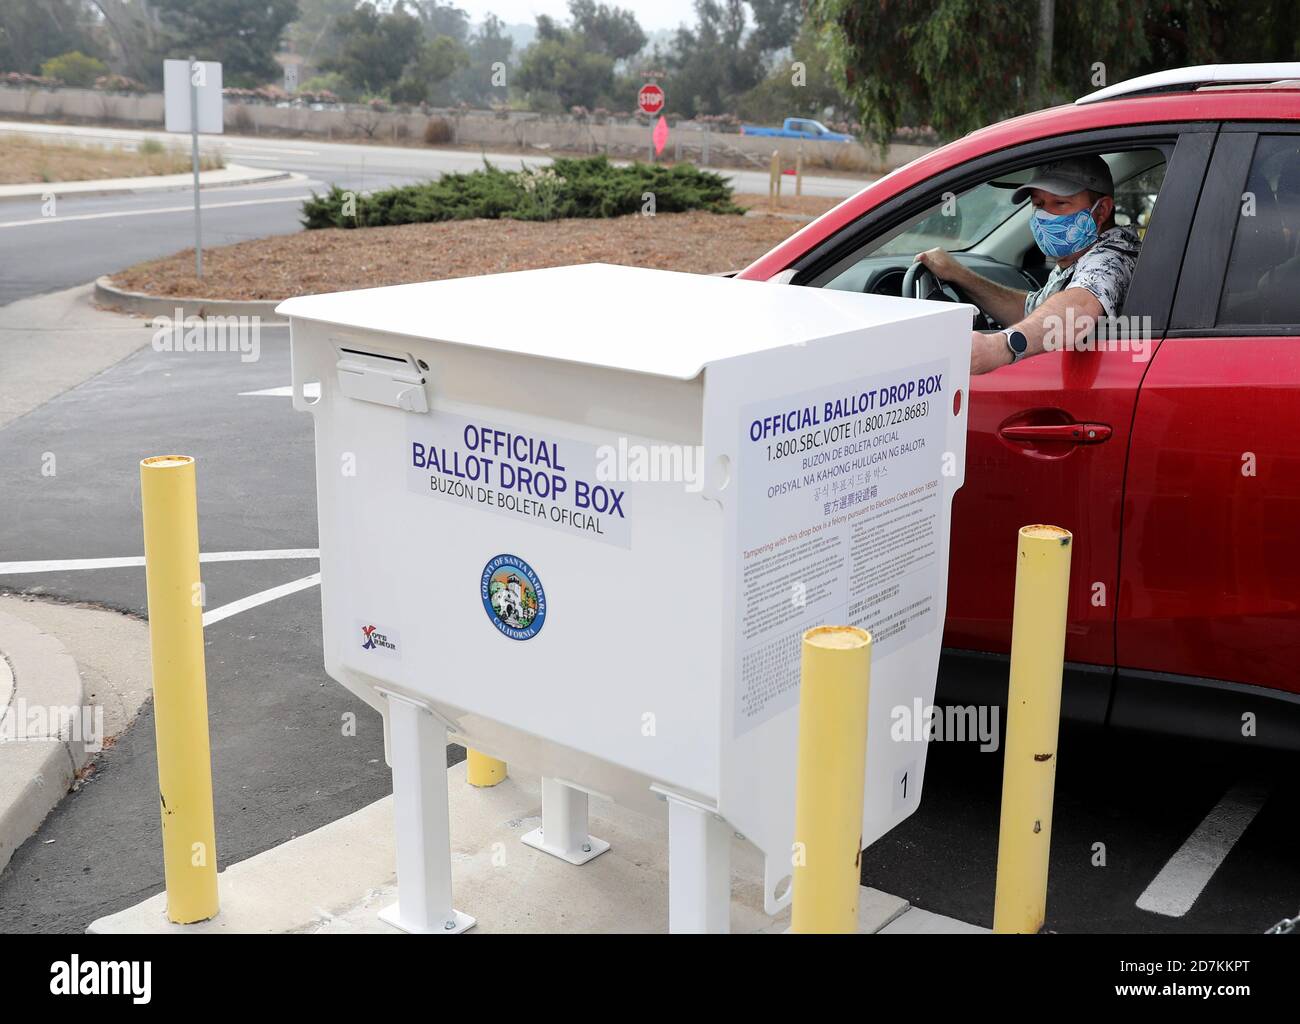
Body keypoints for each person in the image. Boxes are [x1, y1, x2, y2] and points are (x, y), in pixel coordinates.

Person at [914, 155, 1142, 374]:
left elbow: (1080, 305)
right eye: (1039, 204)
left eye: (1060, 203)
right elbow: (1032, 310)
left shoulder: (1113, 258)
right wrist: (959, 275)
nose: (1045, 215)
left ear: (1101, 210)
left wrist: (1001, 347)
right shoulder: (1080, 254)